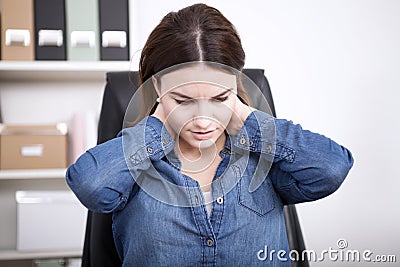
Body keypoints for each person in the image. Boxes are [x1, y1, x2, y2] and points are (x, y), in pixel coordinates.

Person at [66, 3, 353, 266]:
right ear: (157, 87)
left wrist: (244, 117)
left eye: (219, 97)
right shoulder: (134, 165)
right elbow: (91, 185)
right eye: (184, 100)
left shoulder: (264, 159)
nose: (203, 121)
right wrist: (157, 128)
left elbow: (331, 168)